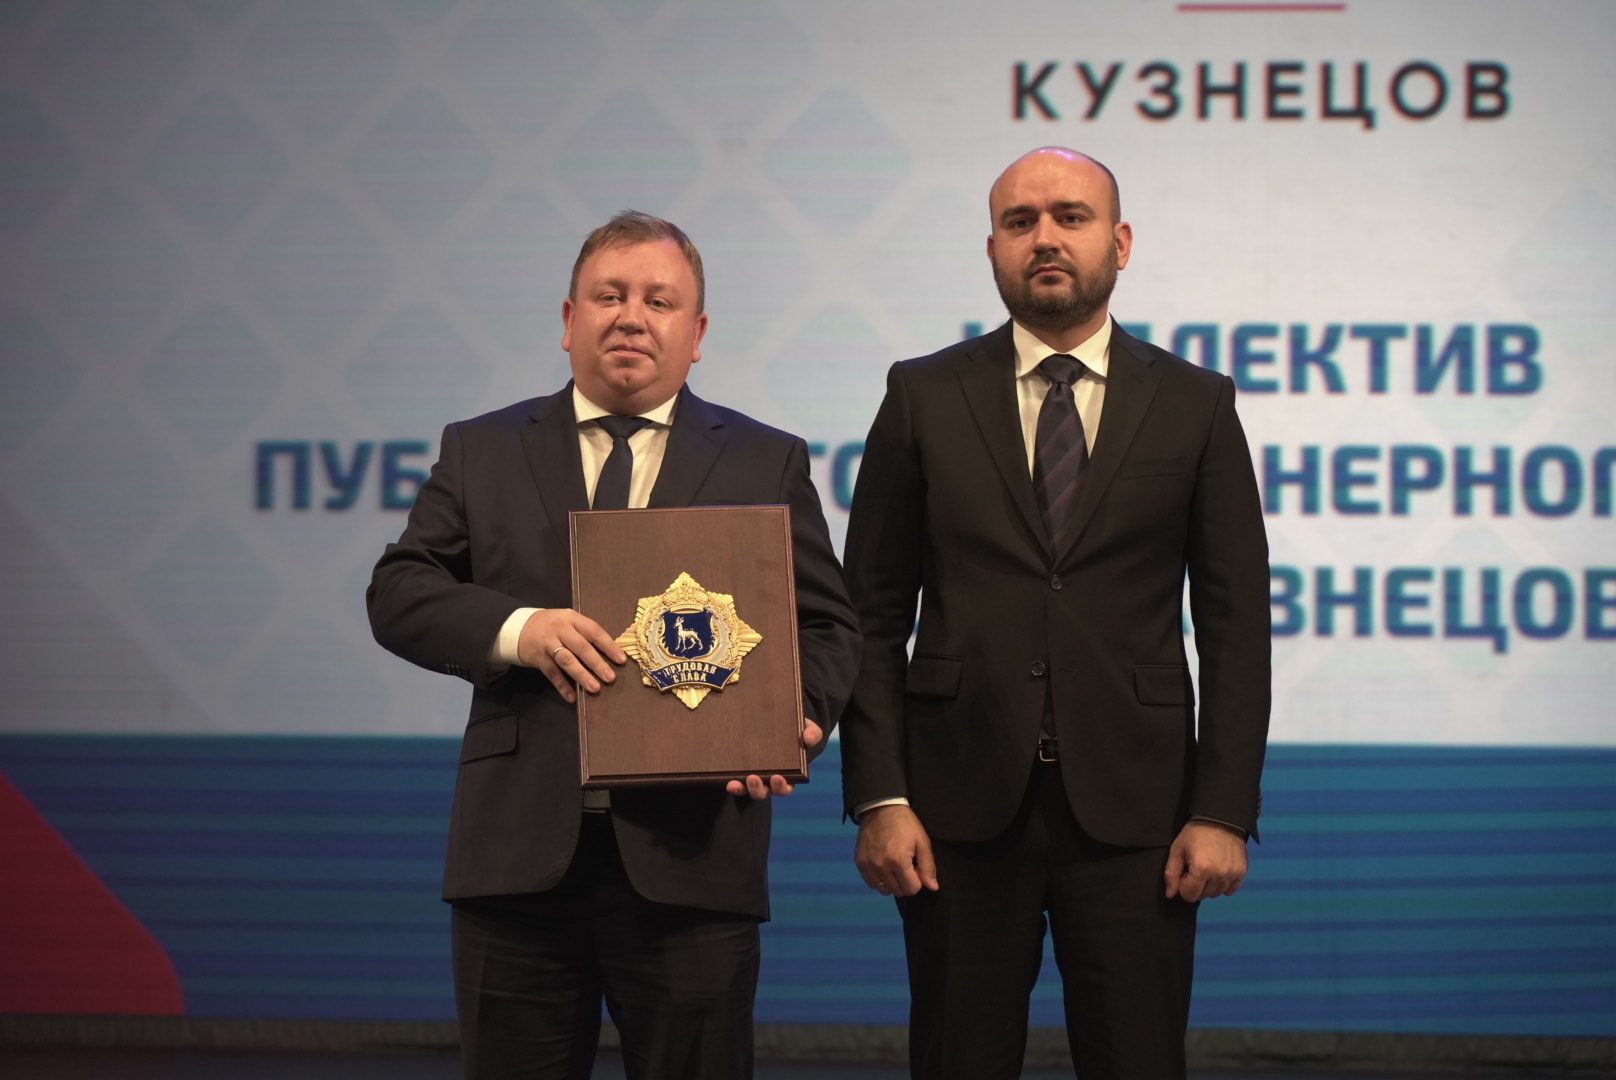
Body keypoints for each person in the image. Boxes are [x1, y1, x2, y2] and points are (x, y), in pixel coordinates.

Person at [367, 211, 860, 1080]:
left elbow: (826, 626)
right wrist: (522, 631)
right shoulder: (482, 449)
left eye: (659, 301)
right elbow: (400, 592)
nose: (632, 317)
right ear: (569, 320)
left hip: (694, 858)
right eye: (610, 296)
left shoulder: (765, 460)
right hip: (517, 860)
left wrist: (797, 721)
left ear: (696, 335)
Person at [839, 147, 1270, 1079]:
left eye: (1071, 217)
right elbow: (868, 616)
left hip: (1141, 816)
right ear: (992, 248)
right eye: (1020, 221)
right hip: (953, 814)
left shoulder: (1196, 404)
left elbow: (1236, 628)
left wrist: (1223, 810)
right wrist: (880, 795)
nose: (1045, 238)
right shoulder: (922, 394)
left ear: (1120, 242)